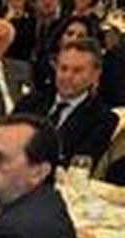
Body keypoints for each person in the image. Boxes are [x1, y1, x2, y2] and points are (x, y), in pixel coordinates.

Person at [13, 38, 114, 167]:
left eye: (77, 71)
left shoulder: (103, 119)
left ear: (95, 74)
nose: (67, 76)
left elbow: (77, 165)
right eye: (63, 68)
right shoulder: (30, 102)